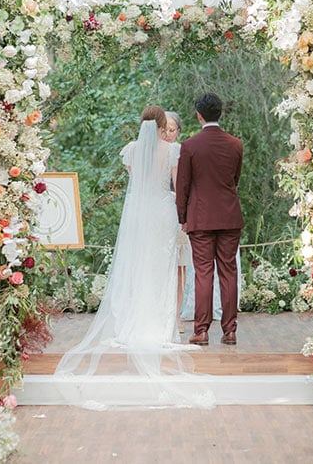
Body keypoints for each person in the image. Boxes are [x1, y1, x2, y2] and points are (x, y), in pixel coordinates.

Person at [54, 106, 213, 409]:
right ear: (161, 125)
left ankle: (136, 320)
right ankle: (162, 323)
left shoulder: (131, 150)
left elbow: (135, 182)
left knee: (139, 266)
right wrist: (182, 218)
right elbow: (177, 188)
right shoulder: (173, 151)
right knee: (161, 269)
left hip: (139, 212)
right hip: (163, 211)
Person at [176, 92, 244, 346]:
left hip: (201, 217)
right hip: (229, 216)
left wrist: (182, 216)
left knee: (203, 273)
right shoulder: (235, 144)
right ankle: (230, 331)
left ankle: (201, 330)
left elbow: (183, 185)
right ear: (220, 113)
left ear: (199, 114)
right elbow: (235, 180)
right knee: (229, 272)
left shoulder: (190, 146)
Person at [161, 110, 190, 334]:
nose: (168, 134)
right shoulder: (152, 153)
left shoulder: (182, 151)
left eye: (172, 130)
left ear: (178, 131)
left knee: (180, 268)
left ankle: (177, 315)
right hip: (158, 214)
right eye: (164, 130)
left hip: (180, 213)